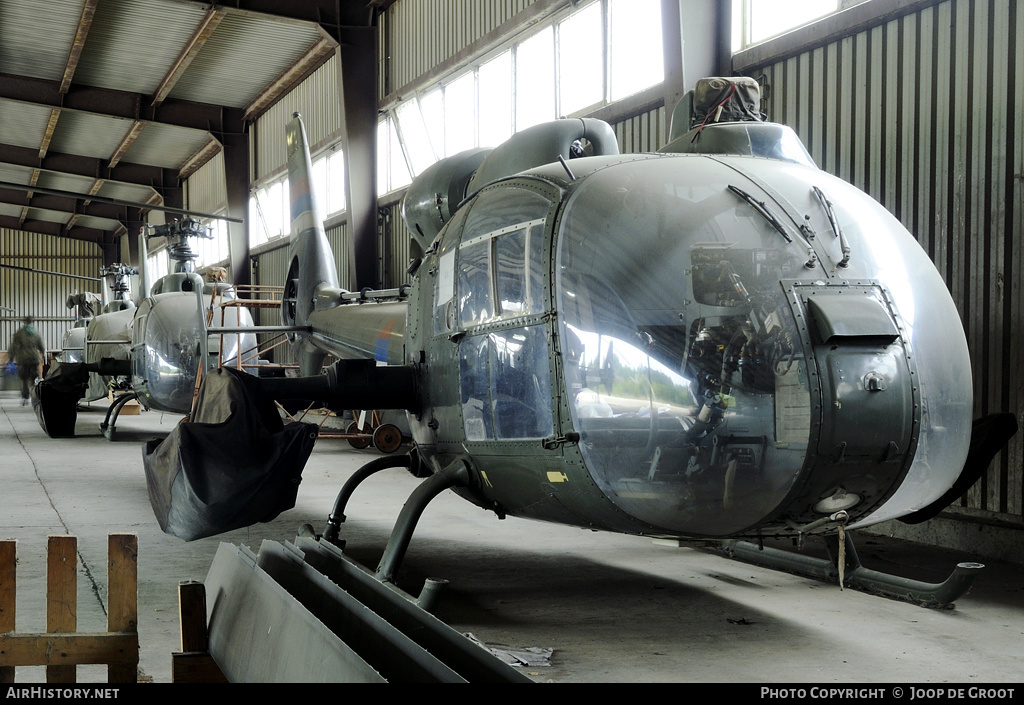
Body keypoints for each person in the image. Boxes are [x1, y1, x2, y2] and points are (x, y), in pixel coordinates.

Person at [8, 316, 46, 405]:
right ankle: (35, 396)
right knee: (34, 379)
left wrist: (11, 357)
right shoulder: (36, 333)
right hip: (34, 359)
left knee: (24, 379)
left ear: (25, 322)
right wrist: (43, 355)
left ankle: (25, 397)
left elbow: (14, 346)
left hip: (23, 359)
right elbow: (41, 346)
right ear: (31, 322)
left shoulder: (20, 333)